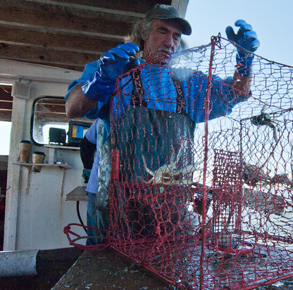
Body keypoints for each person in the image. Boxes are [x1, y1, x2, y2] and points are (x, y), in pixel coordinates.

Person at [65, 4, 259, 241]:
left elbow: (236, 92)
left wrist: (245, 61)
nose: (170, 42)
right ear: (144, 33)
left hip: (167, 202)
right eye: (162, 31)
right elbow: (73, 108)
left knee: (164, 266)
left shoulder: (188, 83)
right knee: (106, 267)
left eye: (176, 36)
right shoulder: (116, 70)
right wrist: (101, 80)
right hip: (112, 197)